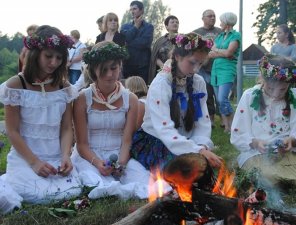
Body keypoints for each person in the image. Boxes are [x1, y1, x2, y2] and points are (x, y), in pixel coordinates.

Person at [0, 25, 82, 204]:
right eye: (48, 56)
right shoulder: (16, 85)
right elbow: (12, 131)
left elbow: (67, 127)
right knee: (35, 193)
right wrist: (34, 162)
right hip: (26, 156)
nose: (54, 63)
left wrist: (66, 156)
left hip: (55, 156)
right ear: (36, 53)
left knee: (71, 190)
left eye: (59, 58)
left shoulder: (64, 88)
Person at [130, 33, 222, 173]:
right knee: (183, 173)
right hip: (158, 141)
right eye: (192, 62)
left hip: (187, 142)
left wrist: (201, 146)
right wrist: (197, 151)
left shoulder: (198, 82)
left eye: (200, 63)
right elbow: (164, 129)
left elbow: (202, 121)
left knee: (204, 171)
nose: (196, 69)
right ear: (177, 57)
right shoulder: (160, 85)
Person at [230, 54, 296, 194]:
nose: (276, 94)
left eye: (282, 90)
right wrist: (255, 142)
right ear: (262, 79)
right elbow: (238, 133)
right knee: (267, 177)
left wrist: (292, 140)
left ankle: (293, 180)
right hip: (256, 153)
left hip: (286, 155)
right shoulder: (250, 96)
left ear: (289, 84)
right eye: (270, 89)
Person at [71, 41, 150, 199]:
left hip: (120, 154)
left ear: (120, 67)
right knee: (92, 179)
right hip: (89, 156)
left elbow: (127, 141)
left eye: (113, 68)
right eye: (103, 69)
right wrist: (98, 163)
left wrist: (120, 164)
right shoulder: (81, 99)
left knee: (145, 180)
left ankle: (118, 186)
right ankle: (109, 189)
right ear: (93, 70)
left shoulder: (131, 99)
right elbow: (81, 144)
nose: (109, 74)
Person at [208, 12, 241, 133]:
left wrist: (218, 51)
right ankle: (227, 127)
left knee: (223, 99)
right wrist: (222, 52)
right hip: (215, 70)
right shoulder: (220, 36)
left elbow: (229, 53)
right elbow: (211, 53)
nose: (219, 23)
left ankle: (235, 124)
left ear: (227, 22)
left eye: (221, 21)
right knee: (219, 100)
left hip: (227, 70)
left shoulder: (235, 35)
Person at [193, 9, 222, 128]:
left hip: (219, 68)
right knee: (208, 94)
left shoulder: (221, 32)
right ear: (203, 18)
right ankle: (211, 121)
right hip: (203, 69)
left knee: (220, 96)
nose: (213, 18)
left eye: (214, 16)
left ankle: (224, 120)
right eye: (209, 16)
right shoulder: (196, 33)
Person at [120, 1, 154, 83]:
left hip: (143, 66)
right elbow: (125, 39)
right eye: (131, 9)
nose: (132, 11)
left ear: (142, 10)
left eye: (134, 9)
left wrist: (129, 42)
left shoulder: (149, 27)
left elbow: (145, 43)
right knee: (128, 91)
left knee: (142, 91)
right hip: (128, 64)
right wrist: (135, 27)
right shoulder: (125, 26)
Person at [148, 15, 179, 84]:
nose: (175, 23)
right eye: (172, 22)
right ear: (166, 26)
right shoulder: (160, 41)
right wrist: (163, 67)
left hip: (179, 71)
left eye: (177, 22)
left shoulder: (183, 39)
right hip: (163, 71)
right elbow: (155, 56)